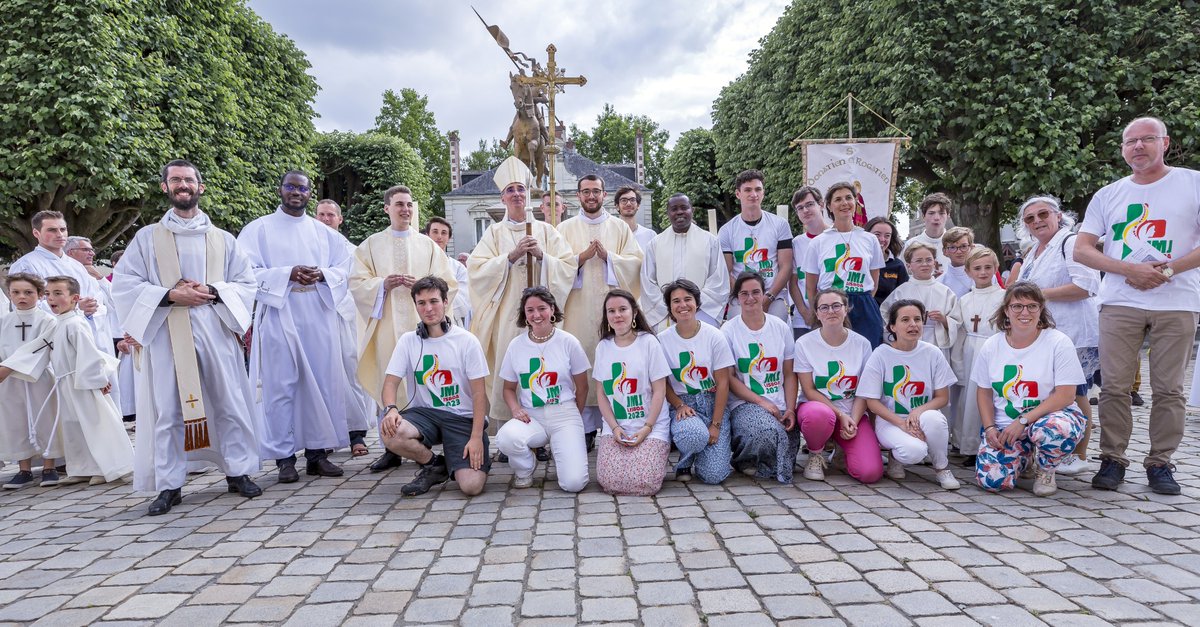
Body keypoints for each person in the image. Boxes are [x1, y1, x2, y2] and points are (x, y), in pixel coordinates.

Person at [112, 159, 263, 514]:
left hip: (214, 327)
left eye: (189, 179)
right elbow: (126, 283)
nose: (183, 185)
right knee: (168, 408)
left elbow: (246, 284)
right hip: (167, 331)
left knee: (229, 401)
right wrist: (169, 295)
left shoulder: (223, 240)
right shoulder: (147, 238)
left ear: (201, 187)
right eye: (175, 179)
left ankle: (237, 471)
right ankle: (169, 484)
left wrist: (211, 289)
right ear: (165, 187)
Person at [1075, 116, 1200, 496]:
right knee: (1113, 387)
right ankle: (1113, 458)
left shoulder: (1192, 183)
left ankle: (1160, 462)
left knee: (1170, 389)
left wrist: (1165, 270)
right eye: (1131, 142)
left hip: (1176, 300)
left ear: (1166, 142)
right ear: (1123, 149)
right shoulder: (1108, 194)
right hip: (1119, 301)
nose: (1139, 147)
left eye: (1147, 139)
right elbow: (1083, 249)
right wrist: (1128, 268)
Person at [238, 170, 356, 483]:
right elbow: (244, 271)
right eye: (290, 186)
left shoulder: (325, 233)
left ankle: (317, 455)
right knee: (281, 387)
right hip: (280, 314)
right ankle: (284, 459)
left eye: (302, 188)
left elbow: (348, 266)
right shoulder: (259, 229)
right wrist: (287, 274)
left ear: (308, 194)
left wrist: (323, 276)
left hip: (318, 314)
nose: (296, 192)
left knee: (321, 383)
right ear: (281, 189)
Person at [351, 187, 458, 469]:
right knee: (391, 381)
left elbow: (448, 283)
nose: (405, 210)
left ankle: (431, 438)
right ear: (387, 208)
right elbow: (356, 283)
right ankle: (392, 449)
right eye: (399, 205)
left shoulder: (428, 245)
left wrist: (423, 285)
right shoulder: (370, 245)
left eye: (409, 205)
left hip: (423, 328)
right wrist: (381, 285)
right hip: (387, 328)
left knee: (429, 381)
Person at [468, 157, 577, 432]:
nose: (516, 194)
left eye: (520, 189)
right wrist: (510, 257)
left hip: (541, 316)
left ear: (527, 195)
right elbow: (477, 270)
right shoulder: (493, 233)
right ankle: (509, 427)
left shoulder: (546, 231)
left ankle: (542, 427)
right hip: (508, 316)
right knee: (510, 367)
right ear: (502, 198)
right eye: (510, 190)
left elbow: (567, 266)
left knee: (542, 367)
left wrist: (543, 257)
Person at [0, 276, 133, 486]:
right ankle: (82, 467)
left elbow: (89, 354)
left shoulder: (74, 324)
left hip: (82, 383)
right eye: (49, 294)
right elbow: (38, 347)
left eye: (58, 294)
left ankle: (107, 467)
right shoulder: (60, 322)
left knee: (95, 426)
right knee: (73, 428)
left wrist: (99, 379)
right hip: (65, 384)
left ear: (74, 298)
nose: (52, 298)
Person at [379, 276, 491, 497]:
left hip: (462, 418)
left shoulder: (467, 341)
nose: (428, 309)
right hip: (426, 415)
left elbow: (479, 395)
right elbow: (390, 383)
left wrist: (476, 437)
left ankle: (459, 457)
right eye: (422, 303)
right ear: (416, 306)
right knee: (391, 432)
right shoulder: (408, 341)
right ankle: (434, 465)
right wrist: (390, 409)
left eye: (434, 301)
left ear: (445, 302)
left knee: (471, 486)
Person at [1013, 195, 1100, 477]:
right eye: (1030, 218)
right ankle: (1050, 451)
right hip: (1045, 334)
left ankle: (1078, 454)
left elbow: (1086, 285)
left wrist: (1036, 296)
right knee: (1050, 392)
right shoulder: (1033, 252)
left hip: (1074, 333)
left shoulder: (1071, 242)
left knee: (1076, 392)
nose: (1037, 221)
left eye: (1043, 214)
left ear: (1058, 215)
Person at [973, 282, 1087, 495]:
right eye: (1017, 306)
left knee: (1052, 430)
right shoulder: (991, 345)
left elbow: (1066, 395)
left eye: (1032, 306)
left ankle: (1046, 469)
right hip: (1006, 426)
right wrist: (990, 428)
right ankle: (1024, 459)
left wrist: (1024, 421)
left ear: (1041, 309)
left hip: (1049, 418)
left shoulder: (1058, 342)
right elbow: (984, 392)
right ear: (1006, 310)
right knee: (992, 480)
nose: (1025, 312)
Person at [559, 175, 644, 444]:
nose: (591, 196)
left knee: (613, 365)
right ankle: (583, 430)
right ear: (578, 196)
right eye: (586, 192)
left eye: (596, 191)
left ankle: (615, 424)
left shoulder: (620, 228)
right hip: (577, 310)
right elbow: (555, 269)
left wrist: (611, 259)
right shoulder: (564, 229)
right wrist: (580, 259)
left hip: (614, 309)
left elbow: (637, 264)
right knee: (581, 363)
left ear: (604, 194)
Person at [859, 299, 961, 489]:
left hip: (921, 418)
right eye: (905, 320)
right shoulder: (881, 355)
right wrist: (901, 424)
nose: (913, 324)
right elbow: (872, 402)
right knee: (914, 452)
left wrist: (918, 412)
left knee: (935, 419)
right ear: (892, 326)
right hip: (890, 420)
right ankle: (895, 454)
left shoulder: (932, 353)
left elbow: (942, 397)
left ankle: (942, 468)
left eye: (917, 319)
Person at [496, 287, 590, 491]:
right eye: (530, 310)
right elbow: (509, 389)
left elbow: (582, 387)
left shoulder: (568, 342)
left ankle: (564, 450)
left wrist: (573, 416)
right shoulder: (516, 345)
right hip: (532, 416)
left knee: (574, 483)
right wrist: (515, 409)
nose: (536, 315)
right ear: (524, 314)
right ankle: (525, 468)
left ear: (552, 309)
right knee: (506, 438)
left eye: (542, 308)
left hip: (564, 412)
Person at [793, 288, 883, 484]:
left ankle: (843, 452)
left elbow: (865, 390)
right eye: (824, 307)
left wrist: (853, 419)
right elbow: (808, 390)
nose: (830, 311)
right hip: (819, 410)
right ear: (817, 313)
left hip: (853, 412)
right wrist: (840, 415)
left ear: (846, 309)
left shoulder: (862, 344)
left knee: (870, 473)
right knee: (819, 415)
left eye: (836, 306)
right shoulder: (804, 343)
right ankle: (815, 454)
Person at [311, 199, 376, 459]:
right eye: (321, 215)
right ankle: (323, 436)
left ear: (340, 219)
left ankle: (356, 433)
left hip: (345, 319)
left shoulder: (353, 251)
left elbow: (360, 285)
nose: (325, 219)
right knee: (320, 376)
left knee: (351, 372)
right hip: (315, 321)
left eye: (330, 215)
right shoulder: (307, 248)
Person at [722, 271, 801, 482]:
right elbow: (729, 378)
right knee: (766, 433)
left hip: (780, 403)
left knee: (786, 445)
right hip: (745, 403)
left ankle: (758, 459)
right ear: (736, 297)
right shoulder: (728, 331)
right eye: (744, 293)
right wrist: (761, 402)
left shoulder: (781, 327)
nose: (750, 298)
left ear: (764, 294)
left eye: (756, 292)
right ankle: (743, 458)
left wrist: (791, 409)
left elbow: (789, 374)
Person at [592, 289, 671, 495]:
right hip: (617, 425)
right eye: (611, 311)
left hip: (650, 424)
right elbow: (601, 393)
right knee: (609, 481)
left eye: (622, 309)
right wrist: (614, 427)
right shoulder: (603, 347)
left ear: (634, 312)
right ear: (606, 316)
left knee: (645, 481)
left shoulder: (649, 343)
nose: (617, 315)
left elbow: (659, 390)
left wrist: (647, 428)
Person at [659, 279, 734, 484]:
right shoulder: (662, 340)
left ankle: (703, 455)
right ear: (670, 308)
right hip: (682, 405)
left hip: (711, 403)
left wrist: (716, 424)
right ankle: (685, 459)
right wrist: (679, 404)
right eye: (676, 301)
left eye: (687, 299)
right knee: (693, 435)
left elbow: (724, 382)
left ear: (697, 303)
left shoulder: (714, 336)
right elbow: (661, 383)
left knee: (714, 475)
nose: (682, 305)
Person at [804, 181, 886, 347]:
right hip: (830, 305)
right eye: (838, 199)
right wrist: (819, 311)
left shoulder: (869, 239)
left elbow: (874, 281)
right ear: (829, 206)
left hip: (863, 305)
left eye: (849, 198)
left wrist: (859, 300)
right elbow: (810, 287)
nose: (844, 203)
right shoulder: (818, 242)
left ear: (856, 203)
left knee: (869, 353)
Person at [0, 274, 61, 489]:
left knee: (44, 418)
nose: (21, 297)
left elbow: (42, 346)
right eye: (16, 292)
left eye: (28, 292)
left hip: (38, 377)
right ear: (9, 294)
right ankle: (23, 469)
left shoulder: (47, 320)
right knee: (15, 422)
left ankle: (49, 466)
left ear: (40, 295)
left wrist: (8, 367)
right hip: (9, 381)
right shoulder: (4, 321)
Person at [950, 246, 1005, 467]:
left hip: (995, 350)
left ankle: (995, 443)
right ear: (968, 271)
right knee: (971, 400)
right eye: (978, 268)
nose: (983, 272)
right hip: (971, 350)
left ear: (996, 268)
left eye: (988, 267)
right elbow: (957, 328)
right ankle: (971, 447)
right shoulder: (964, 300)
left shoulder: (1004, 297)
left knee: (994, 398)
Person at [640, 193, 729, 329]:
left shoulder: (710, 241)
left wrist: (694, 306)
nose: (679, 212)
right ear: (668, 212)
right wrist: (670, 308)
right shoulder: (655, 244)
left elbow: (719, 279)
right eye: (674, 209)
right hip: (666, 315)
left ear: (691, 210)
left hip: (702, 313)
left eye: (684, 207)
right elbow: (648, 282)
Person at [719, 170, 794, 321]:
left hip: (773, 295)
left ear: (763, 193)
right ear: (738, 194)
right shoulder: (727, 230)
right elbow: (727, 271)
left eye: (758, 189)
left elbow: (786, 266)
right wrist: (746, 296)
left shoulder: (780, 225)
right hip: (741, 297)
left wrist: (768, 297)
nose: (753, 194)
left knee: (778, 326)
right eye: (748, 190)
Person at [878, 242, 958, 360]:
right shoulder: (901, 291)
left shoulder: (945, 292)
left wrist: (944, 319)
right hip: (906, 346)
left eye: (928, 260)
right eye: (919, 260)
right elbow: (885, 319)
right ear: (909, 266)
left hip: (936, 343)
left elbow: (957, 321)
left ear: (934, 263)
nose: (924, 264)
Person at [788, 186, 828, 339]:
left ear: (821, 204)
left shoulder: (837, 237)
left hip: (833, 315)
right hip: (804, 319)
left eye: (810, 204)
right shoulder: (796, 243)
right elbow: (793, 282)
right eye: (800, 208)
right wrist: (806, 313)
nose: (805, 210)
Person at [423, 216, 472, 329]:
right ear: (427, 235)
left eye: (444, 233)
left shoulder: (458, 268)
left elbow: (465, 300)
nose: (439, 236)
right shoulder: (418, 263)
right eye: (435, 232)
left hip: (450, 322)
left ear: (449, 238)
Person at [904, 192, 953, 271]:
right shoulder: (911, 245)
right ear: (923, 216)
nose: (936, 218)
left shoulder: (956, 244)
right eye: (931, 213)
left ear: (948, 215)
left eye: (941, 213)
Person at [867, 216, 908, 306]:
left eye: (887, 236)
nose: (882, 239)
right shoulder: (858, 262)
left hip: (888, 317)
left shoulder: (897, 265)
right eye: (877, 234)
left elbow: (905, 296)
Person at [938, 227, 980, 297]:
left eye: (963, 246)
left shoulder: (986, 275)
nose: (959, 251)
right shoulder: (940, 283)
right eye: (952, 247)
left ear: (972, 248)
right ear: (945, 251)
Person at [615, 186, 656, 253]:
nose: (628, 204)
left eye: (632, 200)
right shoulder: (609, 236)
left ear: (638, 205)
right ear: (617, 206)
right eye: (624, 200)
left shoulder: (650, 236)